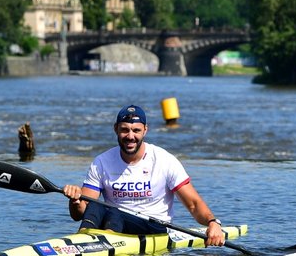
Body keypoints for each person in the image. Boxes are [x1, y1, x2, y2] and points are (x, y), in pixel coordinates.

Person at [62, 104, 227, 246]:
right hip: (114, 224)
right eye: (124, 130)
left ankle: (101, 244)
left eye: (136, 130)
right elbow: (81, 212)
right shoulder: (101, 162)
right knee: (96, 204)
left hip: (154, 228)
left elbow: (193, 204)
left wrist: (213, 223)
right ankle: (82, 240)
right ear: (116, 129)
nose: (130, 136)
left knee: (115, 211)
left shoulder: (164, 160)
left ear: (145, 130)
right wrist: (75, 201)